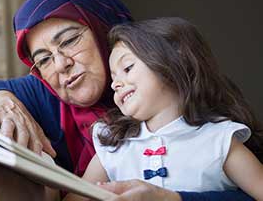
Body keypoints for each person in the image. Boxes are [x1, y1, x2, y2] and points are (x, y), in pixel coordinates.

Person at [0, 0, 256, 200]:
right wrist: (0, 98)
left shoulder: (180, 94)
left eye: (70, 41)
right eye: (43, 59)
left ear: (105, 30)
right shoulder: (44, 94)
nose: (60, 64)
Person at [64, 18, 263, 201]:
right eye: (114, 78)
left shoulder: (220, 140)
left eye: (127, 68)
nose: (115, 85)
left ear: (174, 62)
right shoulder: (113, 144)